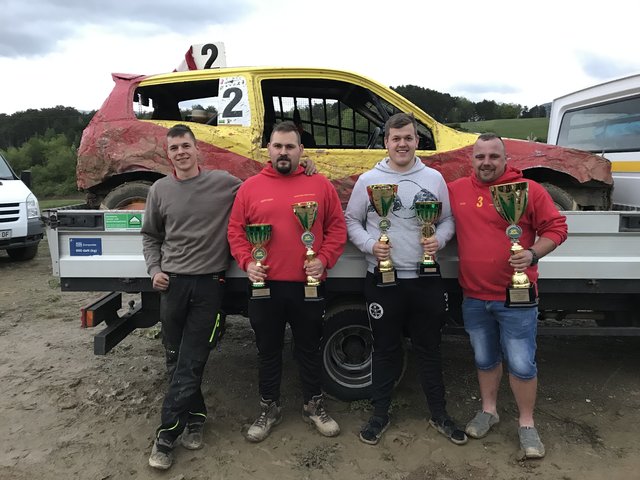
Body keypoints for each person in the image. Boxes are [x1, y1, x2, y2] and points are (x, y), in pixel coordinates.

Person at [345, 112, 467, 446]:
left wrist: (439, 240)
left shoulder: (434, 179)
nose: (402, 144)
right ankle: (379, 414)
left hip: (425, 279)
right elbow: (351, 220)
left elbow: (449, 220)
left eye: (409, 138)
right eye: (396, 138)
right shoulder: (368, 180)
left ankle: (439, 413)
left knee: (429, 348)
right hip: (382, 279)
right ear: (386, 141)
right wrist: (371, 245)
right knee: (385, 350)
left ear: (417, 141)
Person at [448, 132, 568, 459]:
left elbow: (557, 228)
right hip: (474, 296)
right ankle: (489, 410)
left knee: (521, 364)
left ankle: (527, 425)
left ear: (505, 160)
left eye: (493, 156)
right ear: (471, 160)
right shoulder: (456, 190)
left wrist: (531, 253)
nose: (487, 162)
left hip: (516, 296)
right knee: (484, 359)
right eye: (480, 156)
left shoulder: (528, 190)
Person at [227, 121, 346, 442]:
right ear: (268, 149)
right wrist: (248, 263)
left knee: (309, 348)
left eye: (290, 147)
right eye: (278, 146)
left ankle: (313, 405)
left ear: (300, 151)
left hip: (308, 284)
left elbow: (337, 228)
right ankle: (269, 408)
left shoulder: (320, 185)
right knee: (268, 350)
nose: (283, 152)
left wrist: (323, 259)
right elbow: (235, 232)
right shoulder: (250, 187)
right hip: (265, 286)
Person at [141, 124, 242, 470]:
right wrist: (154, 269)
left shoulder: (224, 183)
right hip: (172, 286)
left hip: (210, 285)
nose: (181, 152)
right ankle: (196, 418)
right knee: (174, 357)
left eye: (186, 146)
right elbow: (150, 236)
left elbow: (258, 190)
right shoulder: (159, 190)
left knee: (193, 358)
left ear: (197, 149)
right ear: (168, 154)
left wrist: (305, 167)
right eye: (174, 148)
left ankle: (166, 436)